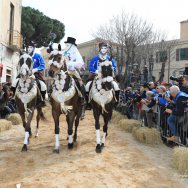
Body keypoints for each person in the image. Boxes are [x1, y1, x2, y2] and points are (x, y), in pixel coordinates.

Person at [63, 37, 86, 105]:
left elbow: (80, 63)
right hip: (63, 71)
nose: (66, 45)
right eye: (66, 44)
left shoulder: (76, 53)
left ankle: (82, 97)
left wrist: (71, 64)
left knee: (80, 81)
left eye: (68, 44)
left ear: (72, 45)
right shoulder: (63, 52)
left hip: (72, 71)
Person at [27, 42, 47, 106]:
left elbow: (43, 65)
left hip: (36, 74)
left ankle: (43, 99)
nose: (29, 49)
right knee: (17, 82)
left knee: (42, 84)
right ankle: (14, 98)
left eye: (30, 47)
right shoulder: (26, 57)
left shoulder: (38, 56)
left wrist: (36, 69)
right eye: (28, 47)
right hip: (26, 74)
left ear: (33, 48)